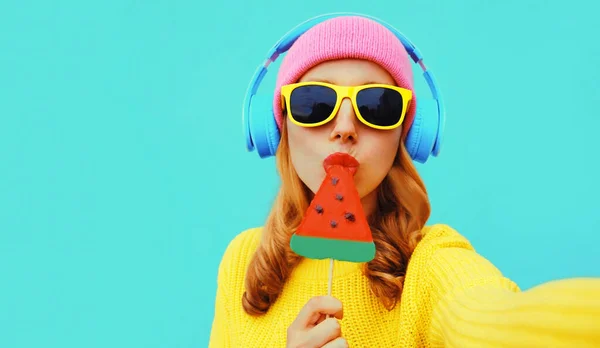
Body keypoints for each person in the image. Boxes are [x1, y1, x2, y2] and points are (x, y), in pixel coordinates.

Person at [209, 14, 600, 347]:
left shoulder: (429, 264)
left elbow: (492, 319)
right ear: (281, 125)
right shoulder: (243, 262)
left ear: (406, 135)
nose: (345, 128)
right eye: (315, 102)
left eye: (377, 105)